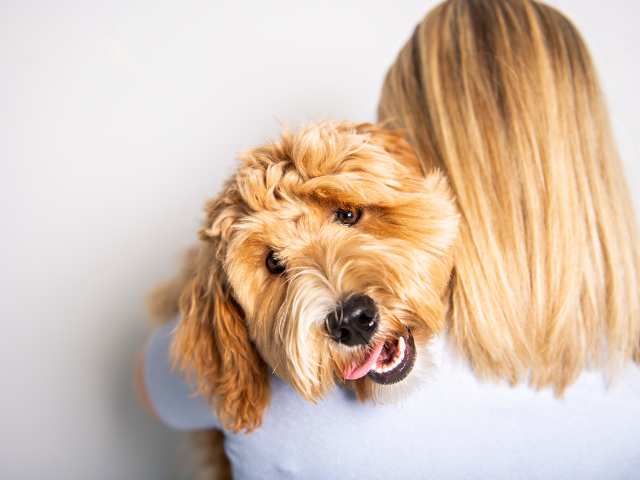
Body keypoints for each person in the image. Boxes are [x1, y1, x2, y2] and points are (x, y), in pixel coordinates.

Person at [136, 0, 640, 478]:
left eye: (349, 213)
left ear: (417, 158)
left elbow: (150, 385)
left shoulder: (279, 411)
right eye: (275, 263)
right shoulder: (624, 387)